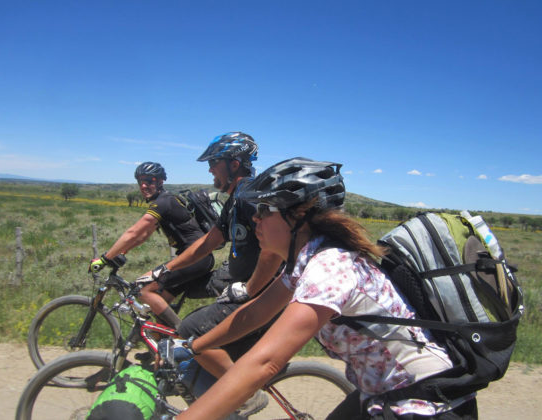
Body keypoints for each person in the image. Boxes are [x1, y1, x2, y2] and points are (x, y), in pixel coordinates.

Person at [175, 157, 478, 420]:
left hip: (425, 402)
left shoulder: (329, 268)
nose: (255, 217)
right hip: (382, 391)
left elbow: (265, 363)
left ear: (298, 216)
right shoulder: (306, 261)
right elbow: (254, 313)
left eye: (265, 209)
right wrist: (195, 346)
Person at [143, 133, 283, 405]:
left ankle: (246, 397)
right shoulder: (235, 200)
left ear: (234, 164)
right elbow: (207, 243)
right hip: (249, 288)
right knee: (203, 340)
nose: (209, 169)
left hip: (262, 293)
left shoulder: (249, 196)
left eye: (213, 163)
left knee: (191, 330)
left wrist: (249, 288)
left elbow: (273, 248)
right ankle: (223, 399)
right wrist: (163, 270)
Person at [88, 161, 215, 328]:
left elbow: (134, 232)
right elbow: (143, 236)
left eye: (149, 180)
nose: (143, 185)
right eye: (140, 181)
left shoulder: (164, 202)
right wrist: (122, 251)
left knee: (143, 289)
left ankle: (183, 334)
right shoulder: (166, 200)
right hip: (197, 257)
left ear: (160, 181)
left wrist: (105, 259)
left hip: (194, 258)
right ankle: (161, 344)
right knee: (158, 303)